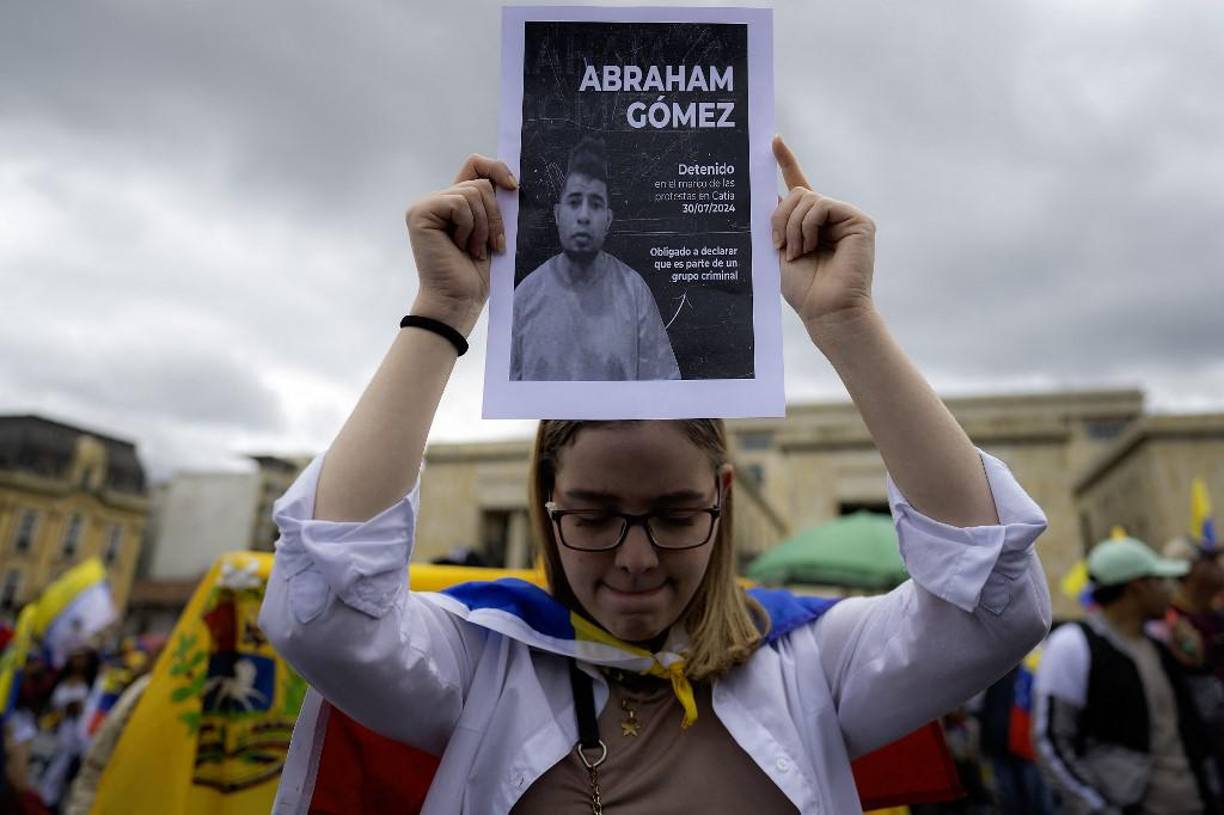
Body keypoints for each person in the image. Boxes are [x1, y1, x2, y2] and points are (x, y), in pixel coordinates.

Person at [259, 138, 1052, 814]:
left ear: (724, 499)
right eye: (595, 518)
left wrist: (849, 325)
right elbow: (322, 611)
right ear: (546, 503)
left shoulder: (812, 665)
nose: (636, 560)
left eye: (675, 517)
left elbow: (992, 601)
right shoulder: (482, 665)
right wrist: (440, 311)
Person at [1032, 536, 1222, 814]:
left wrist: (1195, 668)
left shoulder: (1160, 646)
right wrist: (1097, 808)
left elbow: (1210, 721)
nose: (1171, 591)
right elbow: (1051, 743)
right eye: (1161, 581)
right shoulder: (1074, 646)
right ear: (1138, 587)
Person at [510, 136, 681, 381]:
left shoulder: (634, 292)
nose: (584, 216)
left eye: (596, 203)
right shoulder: (525, 297)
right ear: (558, 214)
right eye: (575, 201)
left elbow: (666, 390)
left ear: (608, 220)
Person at [1160, 536, 1224, 765]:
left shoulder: (1214, 613)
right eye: (1209, 560)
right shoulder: (1171, 625)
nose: (1218, 565)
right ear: (1190, 573)